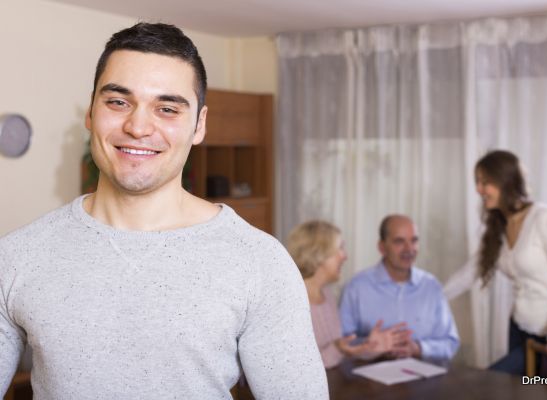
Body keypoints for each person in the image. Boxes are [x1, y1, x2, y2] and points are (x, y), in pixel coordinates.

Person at [0, 23, 327, 399]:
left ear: (199, 125)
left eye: (167, 108)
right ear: (91, 112)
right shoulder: (18, 257)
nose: (138, 126)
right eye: (118, 101)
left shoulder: (260, 263)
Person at [443, 149, 547, 375]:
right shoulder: (498, 227)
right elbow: (469, 273)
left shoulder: (546, 219)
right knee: (514, 393)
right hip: (519, 329)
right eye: (477, 182)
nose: (478, 190)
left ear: (505, 181)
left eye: (484, 182)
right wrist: (431, 297)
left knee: (493, 385)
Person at [286, 220, 408, 368]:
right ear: (318, 253)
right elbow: (295, 368)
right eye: (340, 248)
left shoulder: (327, 294)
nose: (345, 256)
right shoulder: (289, 303)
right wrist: (337, 348)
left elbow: (339, 353)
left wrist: (369, 347)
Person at [339, 215, 460, 361]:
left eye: (414, 241)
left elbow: (450, 343)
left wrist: (419, 348)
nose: (409, 249)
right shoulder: (356, 287)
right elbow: (342, 343)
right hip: (369, 379)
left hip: (424, 378)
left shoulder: (431, 287)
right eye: (399, 241)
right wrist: (369, 345)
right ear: (382, 247)